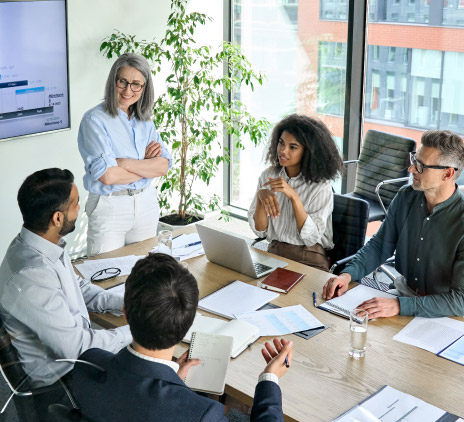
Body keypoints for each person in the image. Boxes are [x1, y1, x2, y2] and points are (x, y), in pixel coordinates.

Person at [73, 253, 292, 422]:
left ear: (125, 313)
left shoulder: (87, 366)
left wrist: (174, 380)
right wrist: (269, 379)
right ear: (188, 324)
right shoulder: (200, 413)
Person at [0, 168, 132, 418]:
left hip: (71, 357)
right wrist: (137, 330)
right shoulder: (31, 276)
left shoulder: (39, 245)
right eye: (75, 204)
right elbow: (77, 348)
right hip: (61, 384)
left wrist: (128, 303)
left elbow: (78, 288)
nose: (80, 209)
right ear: (57, 218)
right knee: (150, 383)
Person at [323, 130, 464, 318]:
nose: (411, 169)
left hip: (443, 311)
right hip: (402, 293)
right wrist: (347, 275)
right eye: (414, 160)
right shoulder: (406, 196)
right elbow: (381, 245)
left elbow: (460, 300)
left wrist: (399, 305)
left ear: (447, 174)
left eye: (421, 166)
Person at [78, 52, 172, 256]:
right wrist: (146, 166)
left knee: (145, 276)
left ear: (144, 88)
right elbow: (108, 176)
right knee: (106, 275)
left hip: (146, 203)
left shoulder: (145, 120)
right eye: (123, 82)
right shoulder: (94, 120)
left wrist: (122, 162)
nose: (128, 90)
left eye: (136, 84)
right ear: (113, 81)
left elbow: (163, 166)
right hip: (110, 205)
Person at [248, 114, 343, 271]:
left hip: (309, 257)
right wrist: (260, 198)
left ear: (308, 152)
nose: (283, 151)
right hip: (275, 252)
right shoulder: (268, 175)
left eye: (293, 147)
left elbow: (311, 238)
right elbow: (260, 230)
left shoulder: (320, 186)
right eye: (281, 143)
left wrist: (294, 196)